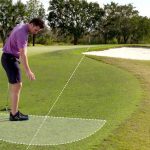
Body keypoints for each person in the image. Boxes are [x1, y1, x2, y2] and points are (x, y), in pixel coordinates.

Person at [1, 18, 45, 121]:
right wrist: (28, 71)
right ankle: (14, 114)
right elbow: (23, 54)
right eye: (36, 30)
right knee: (17, 85)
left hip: (8, 58)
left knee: (15, 85)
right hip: (9, 59)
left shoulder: (21, 25)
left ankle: (14, 112)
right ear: (32, 24)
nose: (36, 32)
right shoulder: (23, 33)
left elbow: (12, 34)